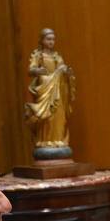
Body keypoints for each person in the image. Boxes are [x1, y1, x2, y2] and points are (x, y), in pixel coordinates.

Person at [25, 28, 75, 157]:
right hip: (45, 89)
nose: (51, 42)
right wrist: (39, 71)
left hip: (57, 91)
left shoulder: (57, 56)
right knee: (47, 117)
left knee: (58, 115)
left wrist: (66, 72)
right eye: (48, 39)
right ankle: (45, 141)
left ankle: (58, 140)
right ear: (42, 40)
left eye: (53, 39)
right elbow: (31, 70)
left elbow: (62, 69)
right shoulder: (38, 55)